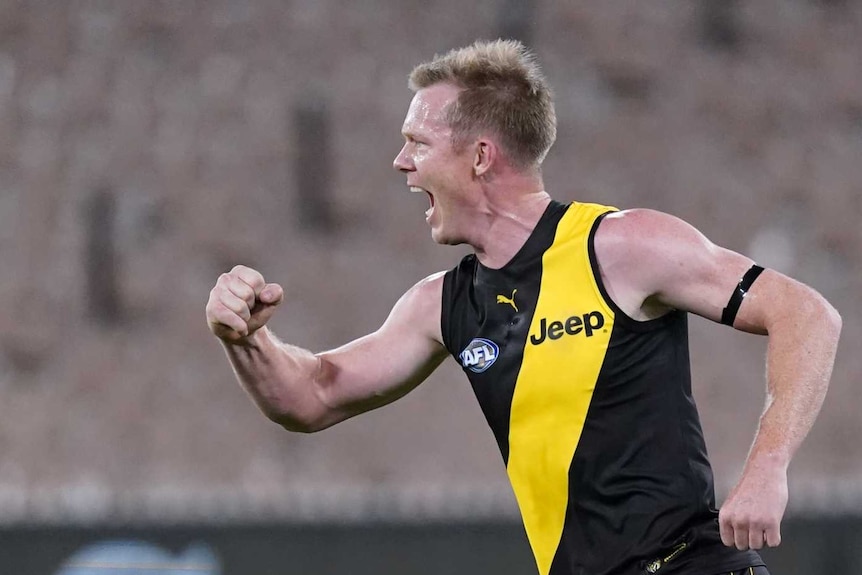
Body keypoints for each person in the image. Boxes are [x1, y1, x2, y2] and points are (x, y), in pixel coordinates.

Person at [205, 40, 841, 575]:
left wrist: (766, 469)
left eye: (417, 143)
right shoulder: (443, 304)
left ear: (480, 156)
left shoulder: (618, 246)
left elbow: (807, 314)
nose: (401, 162)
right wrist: (246, 337)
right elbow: (309, 398)